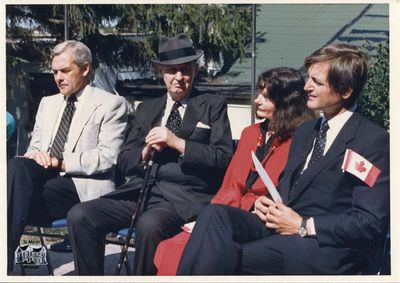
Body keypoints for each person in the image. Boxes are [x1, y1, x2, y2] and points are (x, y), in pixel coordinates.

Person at [176, 43, 389, 275]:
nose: (306, 86)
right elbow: (288, 190)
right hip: (282, 229)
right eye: (308, 79)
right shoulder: (307, 131)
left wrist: (303, 225)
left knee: (226, 256)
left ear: (346, 90)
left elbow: (369, 222)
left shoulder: (371, 141)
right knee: (214, 214)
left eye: (316, 82)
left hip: (323, 246)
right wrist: (264, 203)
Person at [66, 33, 233, 275]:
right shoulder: (147, 109)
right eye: (171, 70)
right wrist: (143, 152)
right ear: (160, 71)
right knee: (81, 215)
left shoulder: (213, 105)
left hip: (182, 198)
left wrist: (176, 142)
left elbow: (223, 158)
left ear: (195, 70)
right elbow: (123, 161)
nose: (178, 77)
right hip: (141, 191)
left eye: (185, 70)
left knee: (149, 224)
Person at [153, 67, 316, 275]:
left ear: (285, 102)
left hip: (265, 218)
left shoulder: (299, 140)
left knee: (204, 243)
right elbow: (231, 184)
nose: (257, 100)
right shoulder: (251, 133)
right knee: (174, 246)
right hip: (230, 211)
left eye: (266, 97)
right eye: (259, 93)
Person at [7, 40, 128, 273]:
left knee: (11, 192)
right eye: (54, 72)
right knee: (17, 165)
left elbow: (108, 156)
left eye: (65, 71)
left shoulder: (110, 104)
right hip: (44, 179)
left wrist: (61, 162)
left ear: (85, 68)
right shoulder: (48, 103)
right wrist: (36, 155)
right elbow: (36, 145)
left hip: (82, 185)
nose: (58, 78)